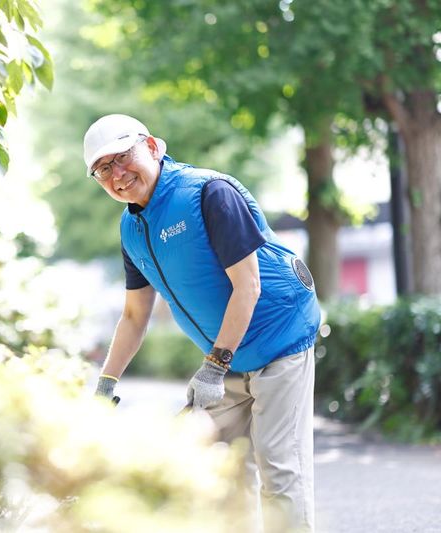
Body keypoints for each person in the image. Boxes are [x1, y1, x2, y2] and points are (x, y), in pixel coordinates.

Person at [87, 114, 321, 532]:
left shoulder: (209, 193)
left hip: (280, 336)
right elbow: (135, 315)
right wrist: (105, 384)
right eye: (103, 169)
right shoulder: (131, 229)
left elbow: (248, 286)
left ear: (152, 147)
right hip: (228, 356)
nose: (117, 174)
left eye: (122, 157)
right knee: (219, 467)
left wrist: (214, 367)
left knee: (279, 467)